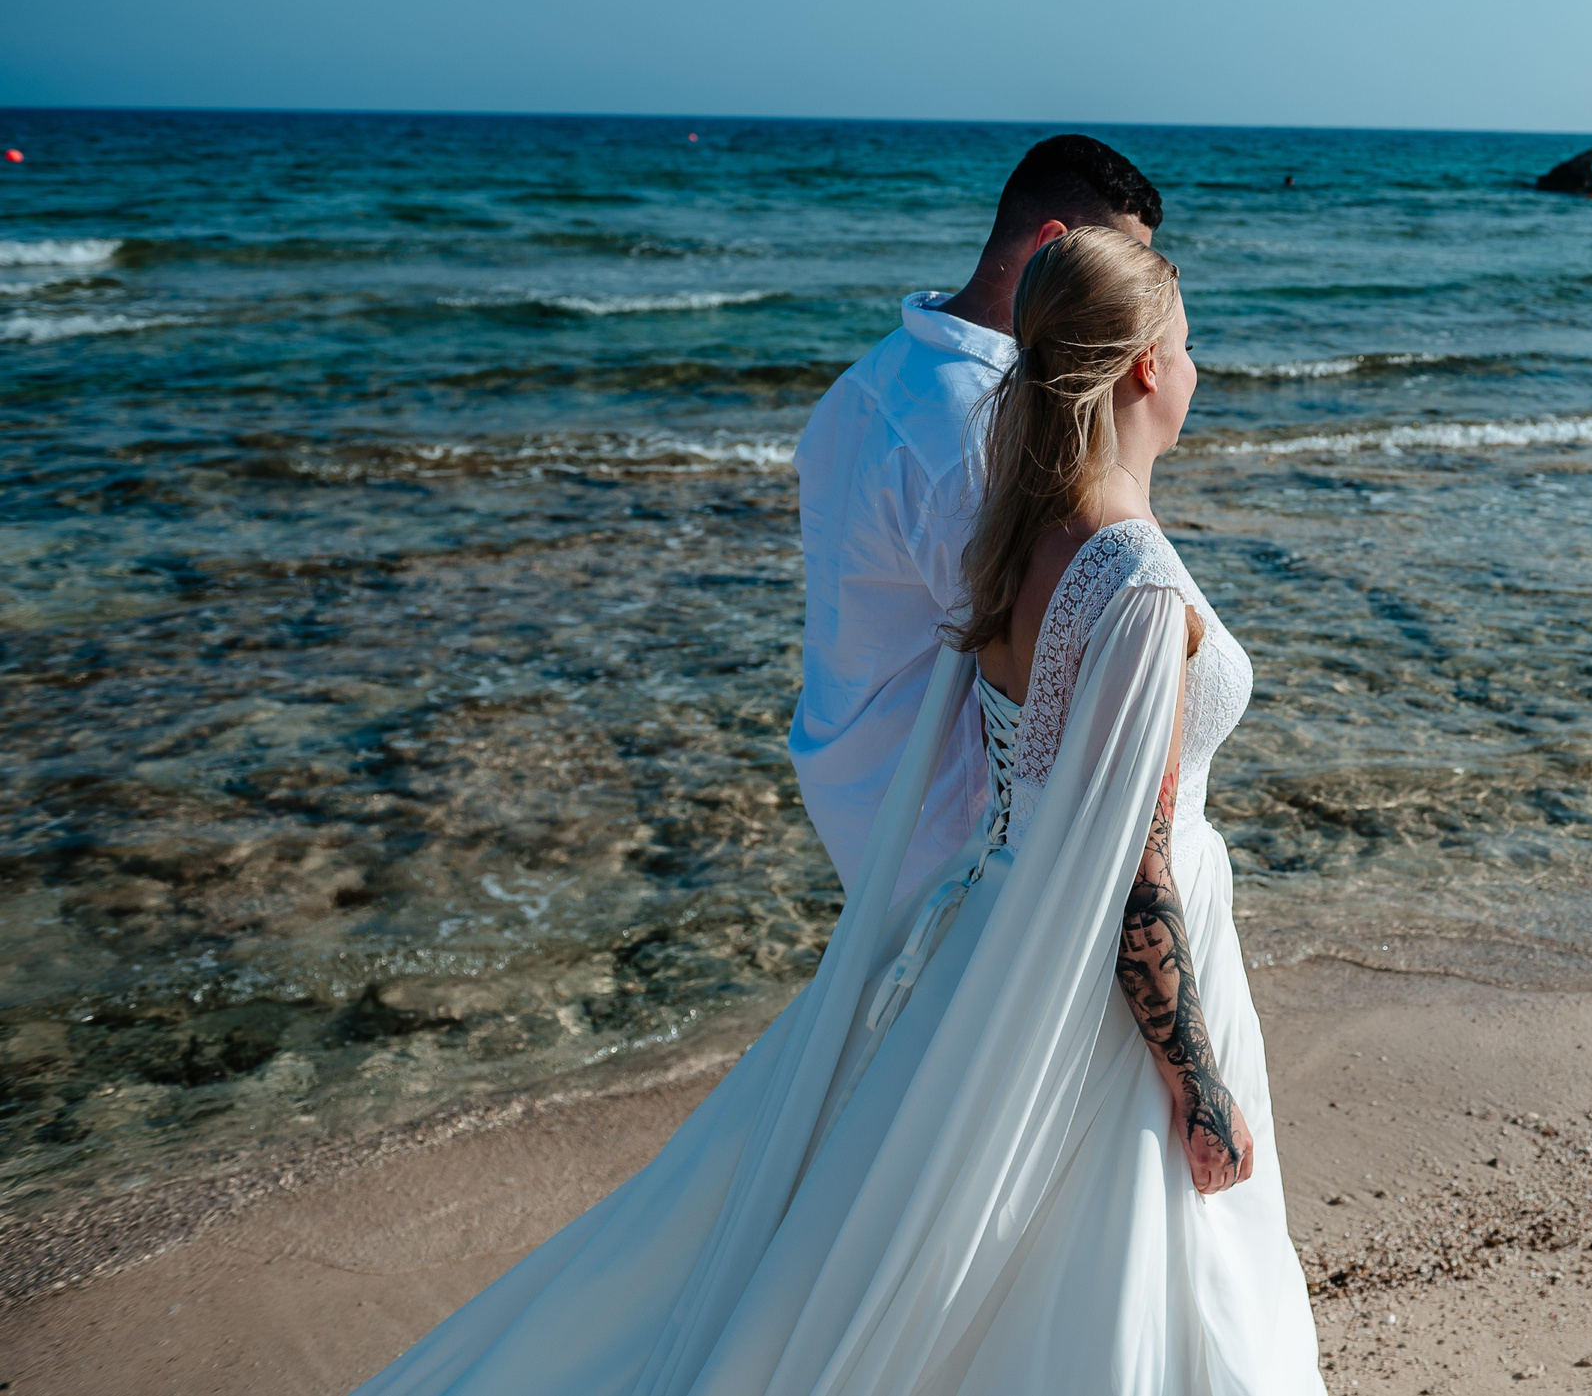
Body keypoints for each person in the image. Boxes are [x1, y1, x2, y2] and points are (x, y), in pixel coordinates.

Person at [351, 184, 1324, 1395]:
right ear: (1141, 370)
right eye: (1186, 349)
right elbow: (1137, 865)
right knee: (1131, 1269)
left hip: (994, 920)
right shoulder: (1132, 578)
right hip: (1091, 972)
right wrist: (1198, 1084)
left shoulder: (1023, 534)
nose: (1197, 372)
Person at [791, 134, 1162, 905]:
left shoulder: (868, 378)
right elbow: (1045, 665)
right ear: (1052, 247)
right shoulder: (981, 426)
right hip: (940, 827)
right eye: (1110, 269)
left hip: (855, 784)